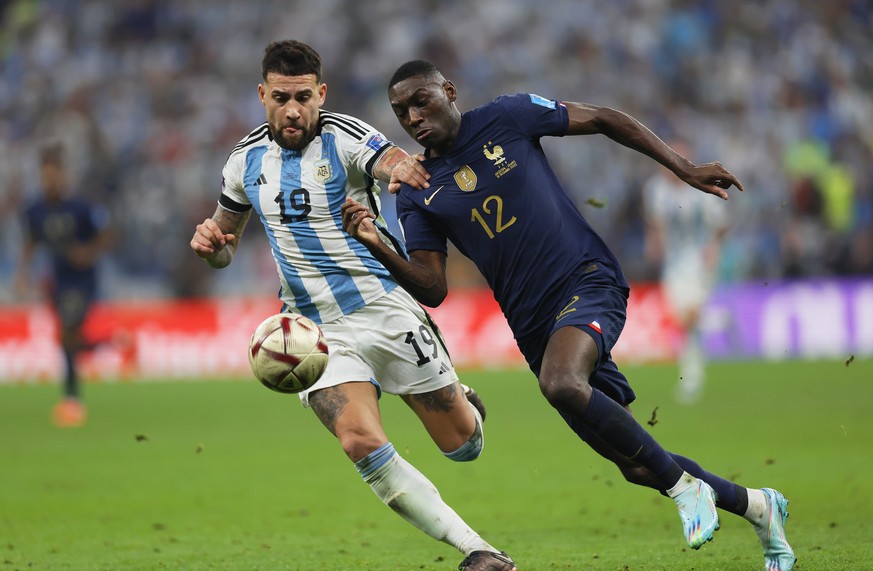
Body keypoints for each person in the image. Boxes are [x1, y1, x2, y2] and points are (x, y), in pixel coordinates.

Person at [341, 60, 796, 571]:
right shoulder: (417, 189)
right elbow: (434, 288)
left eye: (421, 101)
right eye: (401, 112)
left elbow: (604, 119)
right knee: (634, 462)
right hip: (533, 325)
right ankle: (760, 508)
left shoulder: (508, 117)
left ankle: (684, 488)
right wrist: (378, 246)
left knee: (561, 383)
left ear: (448, 91)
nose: (413, 117)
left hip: (587, 280)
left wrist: (681, 168)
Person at [188, 41, 516, 571]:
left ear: (321, 93)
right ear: (261, 95)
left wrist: (399, 170)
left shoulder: (346, 137)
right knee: (359, 440)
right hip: (311, 334)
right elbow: (224, 244)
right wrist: (215, 250)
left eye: (302, 97)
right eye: (279, 98)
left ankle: (465, 403)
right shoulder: (243, 162)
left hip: (385, 308)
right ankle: (478, 551)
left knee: (462, 445)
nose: (291, 110)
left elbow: (387, 160)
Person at [14, 143, 112, 428]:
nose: (51, 181)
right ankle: (108, 343)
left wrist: (88, 252)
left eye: (55, 174)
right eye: (46, 175)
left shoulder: (80, 206)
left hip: (82, 278)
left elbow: (106, 234)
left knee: (69, 330)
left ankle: (71, 399)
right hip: (57, 279)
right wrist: (22, 273)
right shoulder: (34, 210)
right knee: (68, 338)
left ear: (63, 175)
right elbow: (30, 242)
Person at [643, 139, 731, 404]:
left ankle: (691, 377)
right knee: (683, 320)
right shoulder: (655, 190)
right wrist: (654, 241)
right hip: (673, 263)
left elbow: (722, 224)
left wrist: (713, 248)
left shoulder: (700, 188)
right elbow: (655, 222)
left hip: (698, 260)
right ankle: (717, 323)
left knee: (690, 315)